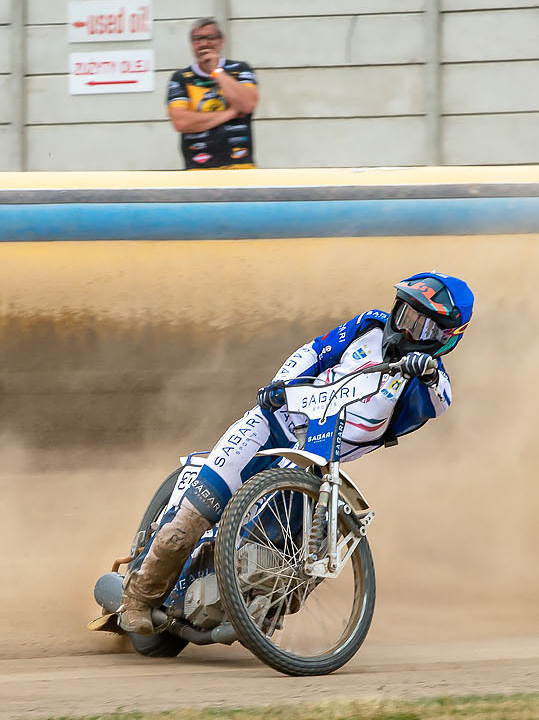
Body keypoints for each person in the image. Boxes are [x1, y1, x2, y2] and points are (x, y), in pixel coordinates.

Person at [117, 272, 474, 635]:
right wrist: (281, 385)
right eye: (406, 316)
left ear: (446, 340)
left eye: (424, 327)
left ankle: (254, 605)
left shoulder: (430, 384)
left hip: (315, 460)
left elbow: (439, 399)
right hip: (270, 424)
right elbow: (314, 351)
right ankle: (137, 598)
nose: (409, 330)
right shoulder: (370, 324)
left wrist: (427, 372)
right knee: (194, 515)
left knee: (297, 548)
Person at [166, 18, 260, 170]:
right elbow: (181, 122)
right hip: (198, 171)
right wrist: (231, 113)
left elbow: (247, 104)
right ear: (192, 45)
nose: (204, 43)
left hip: (241, 169)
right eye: (198, 39)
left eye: (210, 37)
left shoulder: (240, 69)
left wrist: (216, 72)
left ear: (222, 41)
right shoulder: (181, 78)